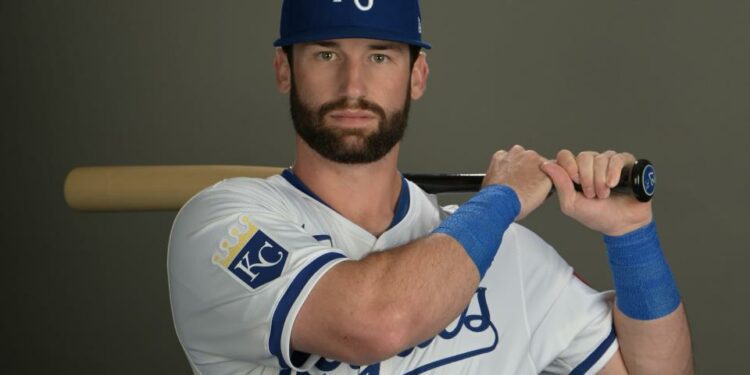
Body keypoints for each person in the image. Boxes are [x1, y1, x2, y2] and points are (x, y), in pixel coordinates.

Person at [167, 0, 693, 373]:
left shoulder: (504, 251)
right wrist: (502, 198)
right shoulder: (221, 225)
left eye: (380, 56)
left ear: (417, 75)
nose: (353, 86)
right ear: (285, 69)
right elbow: (376, 322)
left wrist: (631, 238)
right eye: (326, 54)